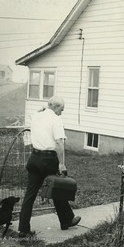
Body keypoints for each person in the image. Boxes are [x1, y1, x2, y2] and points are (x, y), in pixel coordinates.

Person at [18, 96, 81, 238]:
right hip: (48, 159)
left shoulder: (36, 116)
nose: (61, 113)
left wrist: (41, 110)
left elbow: (36, 119)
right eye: (61, 109)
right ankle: (66, 220)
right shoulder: (56, 120)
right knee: (59, 188)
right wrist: (61, 163)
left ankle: (23, 228)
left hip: (34, 158)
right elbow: (59, 143)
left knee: (30, 195)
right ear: (56, 107)